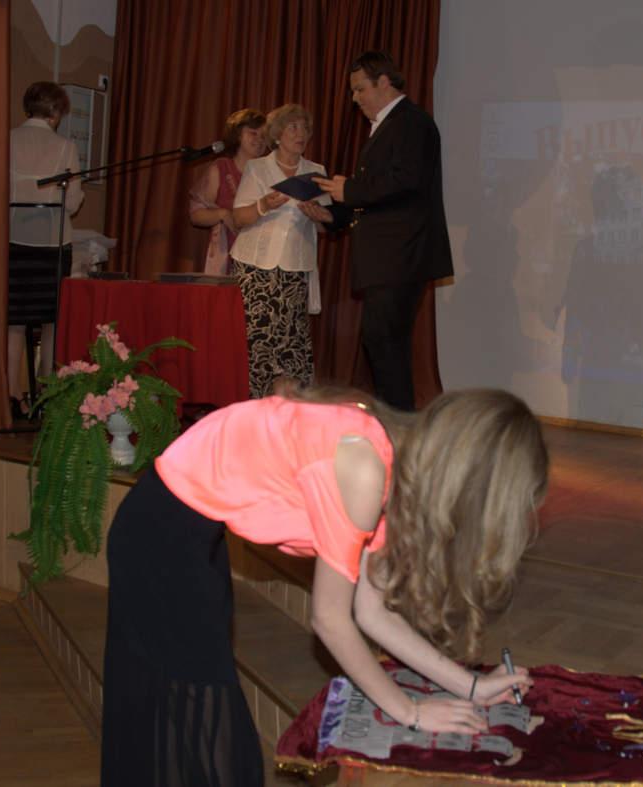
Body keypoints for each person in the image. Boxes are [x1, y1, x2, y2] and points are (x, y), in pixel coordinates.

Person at [100, 386, 549, 787]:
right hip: (161, 538)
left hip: (188, 532)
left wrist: (471, 686)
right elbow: (330, 619)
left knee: (190, 723)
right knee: (206, 726)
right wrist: (411, 713)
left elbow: (372, 613)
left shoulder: (393, 460)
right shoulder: (364, 467)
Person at [315, 51, 453, 411]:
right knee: (382, 342)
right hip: (390, 256)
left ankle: (398, 427)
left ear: (384, 82)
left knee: (385, 341)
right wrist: (332, 215)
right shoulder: (389, 124)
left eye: (360, 88)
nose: (354, 98)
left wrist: (350, 190)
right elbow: (378, 195)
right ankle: (395, 424)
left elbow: (405, 181)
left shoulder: (411, 122)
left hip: (400, 255)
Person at [228, 103, 335, 398]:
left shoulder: (316, 172)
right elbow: (239, 218)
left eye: (305, 128)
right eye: (293, 128)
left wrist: (319, 216)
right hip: (255, 268)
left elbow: (326, 225)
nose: (301, 134)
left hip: (294, 269)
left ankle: (292, 407)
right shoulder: (258, 168)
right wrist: (264, 205)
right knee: (259, 341)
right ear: (277, 135)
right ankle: (255, 405)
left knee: (291, 342)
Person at [7, 81, 84, 418]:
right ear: (56, 112)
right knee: (52, 321)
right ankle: (46, 394)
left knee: (13, 322)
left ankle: (11, 396)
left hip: (13, 241)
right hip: (52, 245)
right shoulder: (66, 147)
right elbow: (74, 202)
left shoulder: (7, 140)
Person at [189, 108, 267, 275]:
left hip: (261, 258)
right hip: (226, 258)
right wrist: (222, 214)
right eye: (253, 133)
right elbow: (196, 215)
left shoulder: (269, 172)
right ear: (237, 135)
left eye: (263, 136)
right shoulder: (221, 168)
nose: (260, 140)